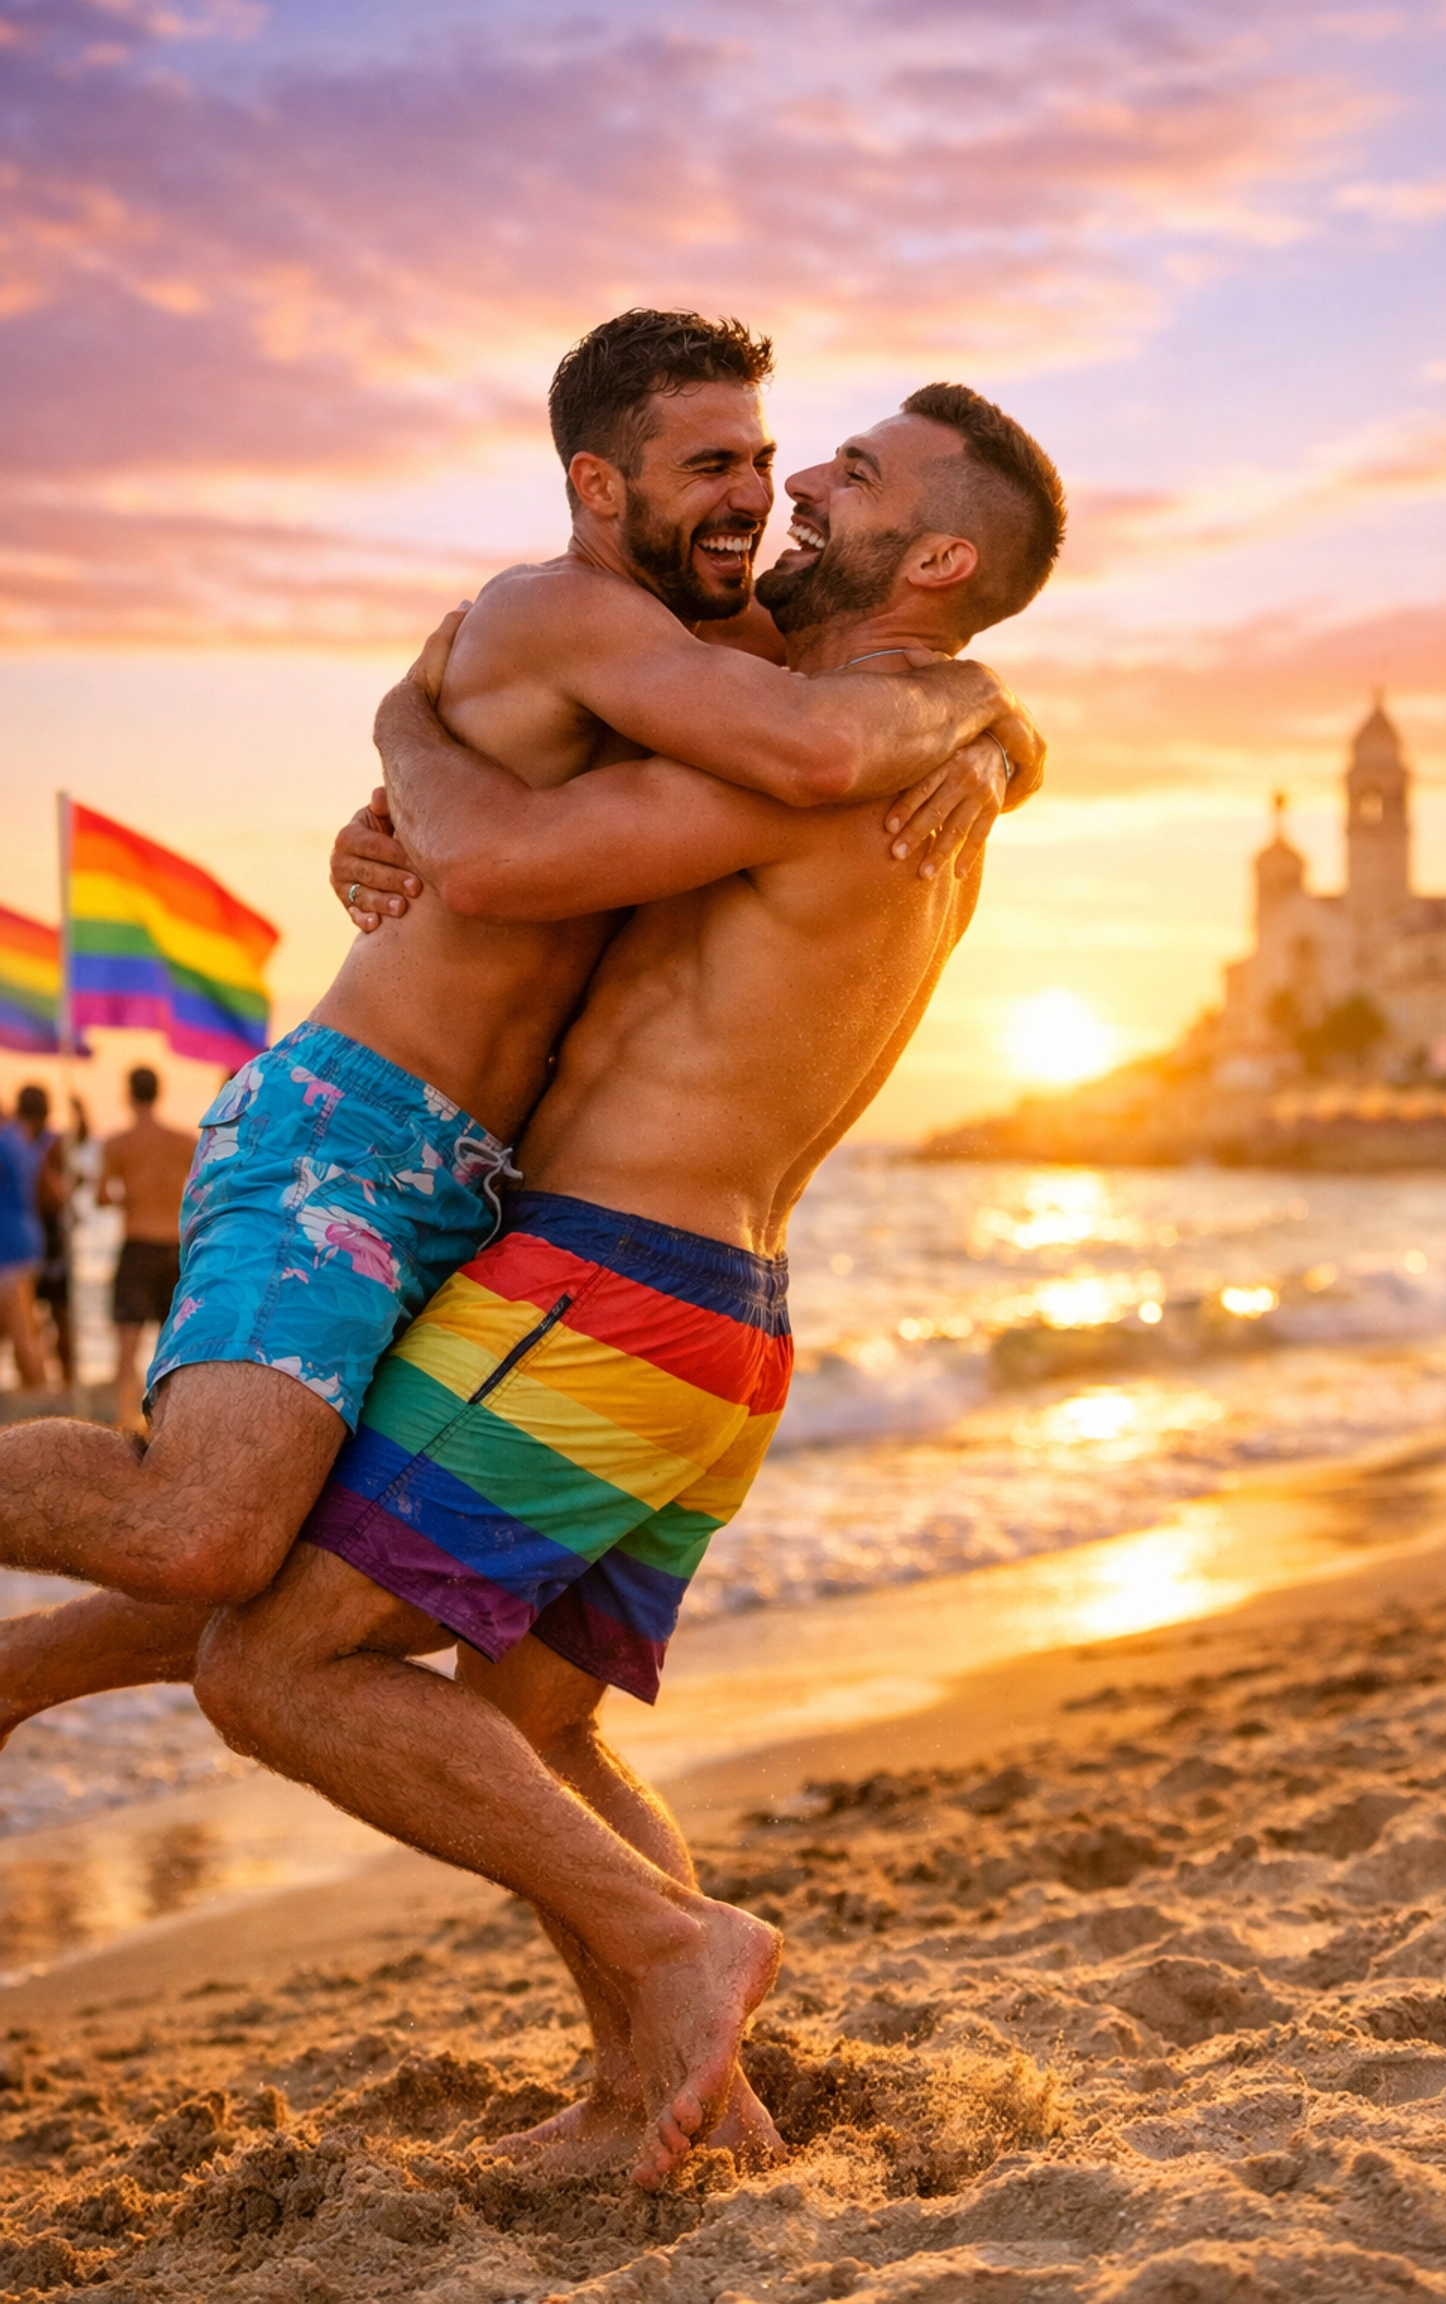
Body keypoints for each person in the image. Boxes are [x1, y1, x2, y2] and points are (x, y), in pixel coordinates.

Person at [186, 381, 1065, 2191]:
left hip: (604, 1288)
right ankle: (672, 2088)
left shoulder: (829, 750)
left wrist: (403, 713)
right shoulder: (924, 746)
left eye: (857, 475)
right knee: (531, 1729)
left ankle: (681, 1954)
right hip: (722, 1331)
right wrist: (998, 711)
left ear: (944, 555)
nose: (805, 481)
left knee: (276, 1666)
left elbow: (498, 861)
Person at [0, 313, 1032, 1738]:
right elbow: (778, 763)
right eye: (714, 463)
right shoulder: (566, 614)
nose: (763, 493)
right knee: (208, 1533)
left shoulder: (738, 648)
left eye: (781, 461)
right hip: (358, 1121)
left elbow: (851, 713)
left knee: (303, 1565)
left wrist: (993, 725)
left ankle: (12, 1684)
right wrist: (405, 733)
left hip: (490, 1188)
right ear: (601, 486)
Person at [96, 1068, 197, 1429]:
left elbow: (101, 1195)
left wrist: (129, 1195)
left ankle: (125, 1422)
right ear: (158, 1092)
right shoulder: (184, 1141)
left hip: (138, 1244)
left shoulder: (117, 1143)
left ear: (128, 1093)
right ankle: (164, 1424)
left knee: (127, 1343)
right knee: (171, 1342)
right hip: (173, 1247)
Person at [0, 1088, 66, 1396]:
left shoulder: (6, 1144)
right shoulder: (22, 1142)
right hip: (26, 1238)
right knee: (18, 1327)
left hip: (10, 1246)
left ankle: (39, 1396)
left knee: (22, 1331)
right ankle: (34, 1391)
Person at [33, 1093, 87, 1390]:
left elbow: (80, 1135)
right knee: (53, 1311)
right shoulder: (44, 1142)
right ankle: (55, 1377)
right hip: (47, 1230)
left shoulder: (44, 1140)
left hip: (47, 1231)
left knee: (55, 1311)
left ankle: (59, 1378)